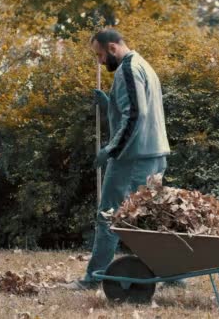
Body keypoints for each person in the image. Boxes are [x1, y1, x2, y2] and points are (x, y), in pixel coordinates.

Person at [63, 28, 172, 290]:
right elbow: (134, 107)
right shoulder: (144, 65)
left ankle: (95, 277)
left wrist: (111, 149)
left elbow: (135, 115)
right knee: (151, 218)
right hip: (156, 154)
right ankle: (173, 274)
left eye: (100, 55)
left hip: (133, 158)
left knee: (109, 215)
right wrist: (110, 102)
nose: (100, 61)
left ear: (112, 48)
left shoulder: (127, 68)